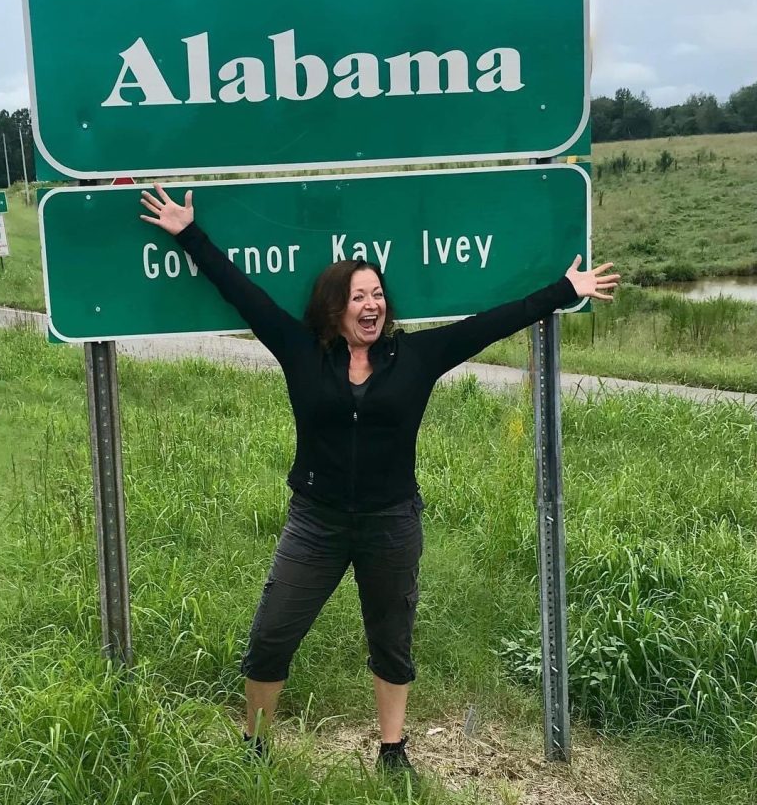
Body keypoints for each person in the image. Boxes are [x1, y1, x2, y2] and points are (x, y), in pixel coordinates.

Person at [140, 184, 619, 773]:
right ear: (333, 306)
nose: (371, 305)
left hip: (392, 522)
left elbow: (492, 323)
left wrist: (563, 292)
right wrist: (189, 233)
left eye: (377, 295)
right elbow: (242, 293)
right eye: (357, 296)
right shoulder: (300, 350)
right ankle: (255, 745)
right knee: (271, 635)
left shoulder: (415, 356)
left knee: (392, 641)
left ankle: (393, 751)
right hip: (315, 521)